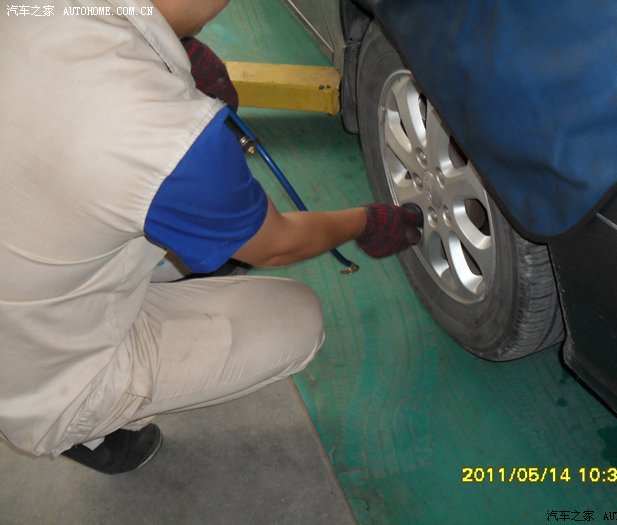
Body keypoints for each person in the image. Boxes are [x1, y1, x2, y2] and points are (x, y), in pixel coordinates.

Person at [0, 0, 421, 474]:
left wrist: (166, 61)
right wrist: (365, 222)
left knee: (178, 222)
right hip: (28, 370)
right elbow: (277, 243)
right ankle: (86, 428)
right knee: (297, 319)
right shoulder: (164, 133)